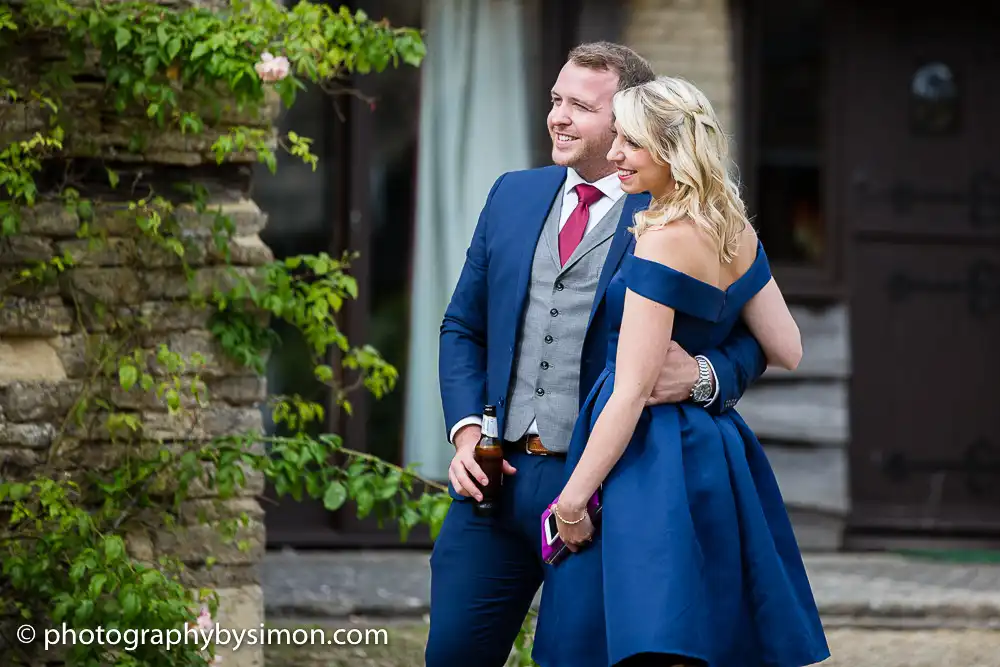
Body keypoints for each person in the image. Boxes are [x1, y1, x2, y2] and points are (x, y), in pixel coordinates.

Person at [426, 43, 770, 667]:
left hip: (606, 490)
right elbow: (462, 326)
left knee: (571, 658)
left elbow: (752, 339)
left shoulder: (676, 213)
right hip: (495, 481)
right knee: (450, 654)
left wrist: (702, 376)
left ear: (626, 122)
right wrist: (464, 432)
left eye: (580, 107)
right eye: (556, 100)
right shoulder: (512, 194)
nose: (557, 116)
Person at [537, 77, 831, 667]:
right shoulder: (735, 231)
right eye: (616, 137)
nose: (615, 153)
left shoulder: (663, 240)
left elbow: (630, 393)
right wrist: (707, 372)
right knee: (704, 628)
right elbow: (788, 347)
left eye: (631, 143)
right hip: (716, 453)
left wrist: (570, 503)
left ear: (673, 149)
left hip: (648, 462)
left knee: (640, 633)